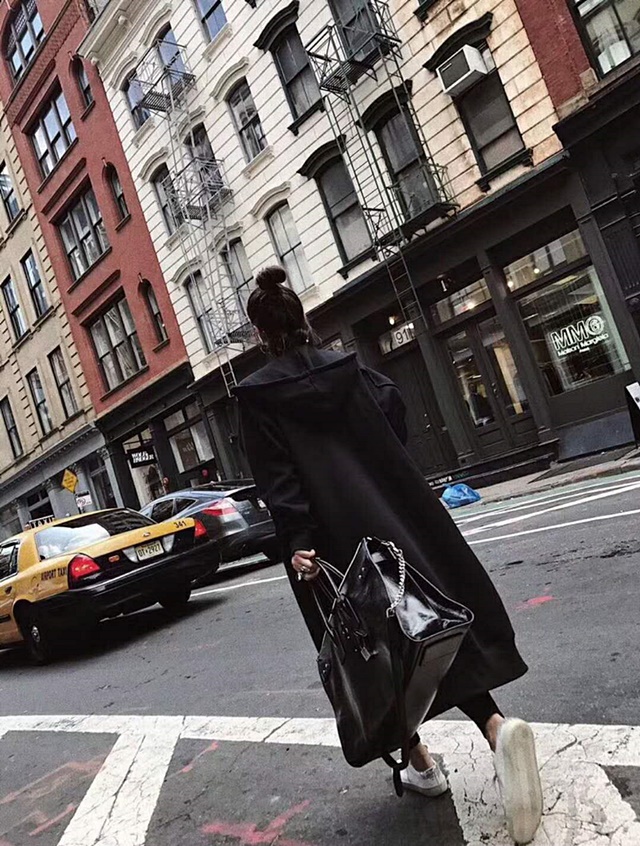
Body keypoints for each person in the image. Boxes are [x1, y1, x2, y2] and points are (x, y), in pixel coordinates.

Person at [234, 266, 543, 845]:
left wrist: (298, 541)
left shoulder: (257, 397)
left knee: (371, 655)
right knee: (433, 628)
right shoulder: (350, 369)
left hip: (331, 544)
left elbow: (279, 478)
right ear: (303, 319)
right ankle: (497, 729)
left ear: (259, 334)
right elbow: (392, 408)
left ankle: (421, 763)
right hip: (393, 517)